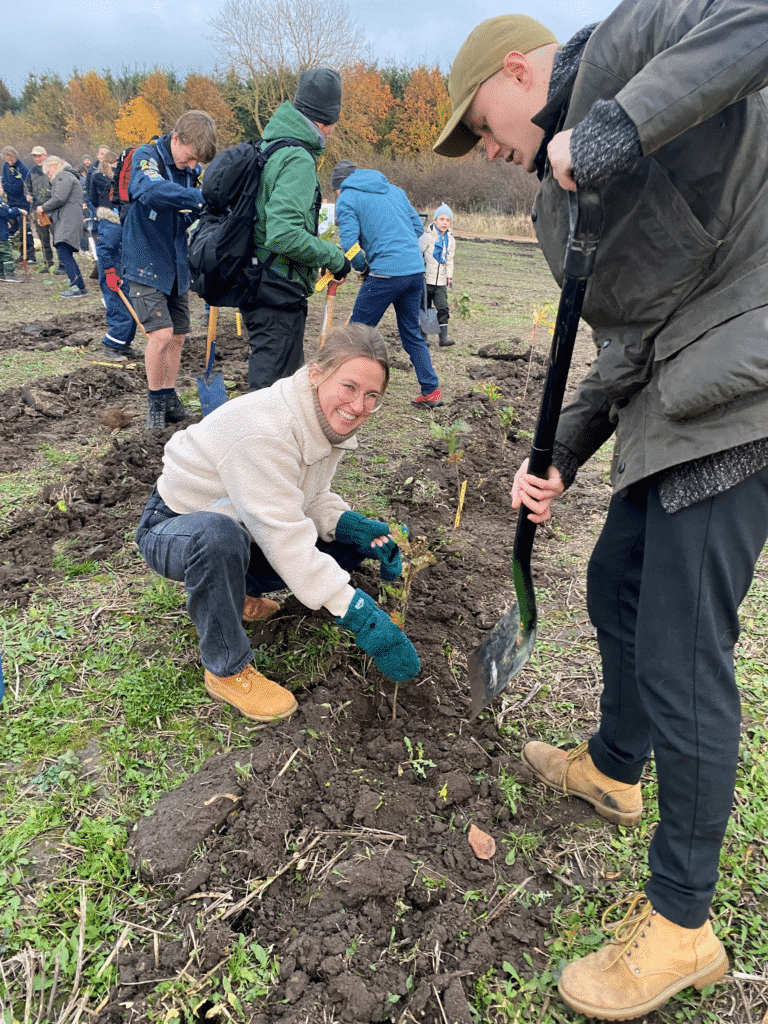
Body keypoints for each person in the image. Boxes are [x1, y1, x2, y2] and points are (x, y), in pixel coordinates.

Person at [435, 7, 768, 1020]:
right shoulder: (555, 205)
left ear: (522, 70)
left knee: (680, 647)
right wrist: (560, 452)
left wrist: (622, 121)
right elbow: (622, 344)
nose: (482, 148)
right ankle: (618, 769)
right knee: (610, 580)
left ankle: (681, 927)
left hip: (745, 378)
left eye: (479, 121)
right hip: (676, 398)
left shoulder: (631, 50)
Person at [135, 323, 420, 722]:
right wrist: (364, 618)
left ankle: (238, 593)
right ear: (318, 374)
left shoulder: (322, 421)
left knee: (342, 544)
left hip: (245, 519)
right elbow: (284, 535)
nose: (359, 406)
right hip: (176, 526)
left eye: (372, 395)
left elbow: (307, 496)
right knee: (218, 538)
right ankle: (226, 670)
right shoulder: (265, 430)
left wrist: (352, 526)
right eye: (350, 387)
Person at [239, 68, 351, 393]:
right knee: (270, 391)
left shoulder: (271, 145)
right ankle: (258, 444)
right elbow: (283, 233)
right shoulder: (298, 159)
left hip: (259, 280)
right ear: (325, 121)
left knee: (285, 385)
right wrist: (334, 256)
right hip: (276, 287)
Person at [121, 110, 217, 429]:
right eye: (190, 158)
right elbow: (150, 192)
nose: (193, 166)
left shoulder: (189, 169)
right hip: (146, 260)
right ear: (176, 139)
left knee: (177, 336)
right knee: (160, 334)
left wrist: (199, 212)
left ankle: (167, 395)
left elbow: (187, 213)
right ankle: (153, 403)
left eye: (196, 162)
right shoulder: (147, 157)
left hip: (175, 262)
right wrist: (200, 198)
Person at [332, 160, 443, 408]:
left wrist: (362, 266)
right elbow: (416, 226)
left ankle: (338, 387)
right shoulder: (394, 190)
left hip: (384, 275)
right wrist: (398, 243)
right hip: (415, 271)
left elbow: (349, 243)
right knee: (412, 334)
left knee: (355, 335)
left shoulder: (348, 197)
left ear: (339, 186)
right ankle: (431, 392)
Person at [93, 155, 141, 362]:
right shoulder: (114, 226)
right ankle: (111, 346)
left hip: (124, 273)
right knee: (120, 313)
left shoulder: (125, 223)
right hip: (112, 276)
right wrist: (110, 273)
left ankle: (125, 345)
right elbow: (103, 250)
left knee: (131, 312)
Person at [38, 156, 89, 297]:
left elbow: (59, 198)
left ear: (53, 165)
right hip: (68, 219)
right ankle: (80, 287)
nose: (48, 175)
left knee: (64, 253)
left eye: (48, 171)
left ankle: (76, 288)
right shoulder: (67, 176)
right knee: (65, 253)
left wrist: (43, 207)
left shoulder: (63, 176)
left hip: (68, 221)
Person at [419, 203, 456, 348]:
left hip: (440, 280)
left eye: (447, 220)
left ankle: (443, 337)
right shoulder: (427, 237)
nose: (444, 223)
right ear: (435, 220)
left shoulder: (451, 240)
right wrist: (421, 270)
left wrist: (450, 276)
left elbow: (450, 259)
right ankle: (425, 336)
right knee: (426, 306)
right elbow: (418, 253)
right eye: (441, 219)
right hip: (426, 278)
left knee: (442, 307)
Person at [1, 145, 35, 265]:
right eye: (7, 159)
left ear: (15, 156)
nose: (9, 161)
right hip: (11, 202)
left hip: (22, 203)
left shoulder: (22, 168)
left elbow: (19, 188)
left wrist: (5, 187)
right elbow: (4, 181)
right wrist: (5, 187)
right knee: (12, 228)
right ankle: (18, 253)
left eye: (11, 159)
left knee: (25, 229)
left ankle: (30, 255)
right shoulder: (6, 167)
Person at [25, 146, 56, 273]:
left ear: (45, 156)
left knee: (57, 237)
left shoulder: (52, 169)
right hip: (38, 210)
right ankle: (48, 263)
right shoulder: (31, 171)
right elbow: (27, 186)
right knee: (44, 238)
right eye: (35, 156)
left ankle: (63, 264)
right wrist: (28, 194)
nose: (37, 158)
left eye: (39, 155)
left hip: (52, 208)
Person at [0, 201, 23, 283]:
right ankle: (10, 274)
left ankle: (1, 274)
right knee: (7, 255)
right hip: (1, 237)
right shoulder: (1, 207)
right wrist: (19, 210)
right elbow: (9, 211)